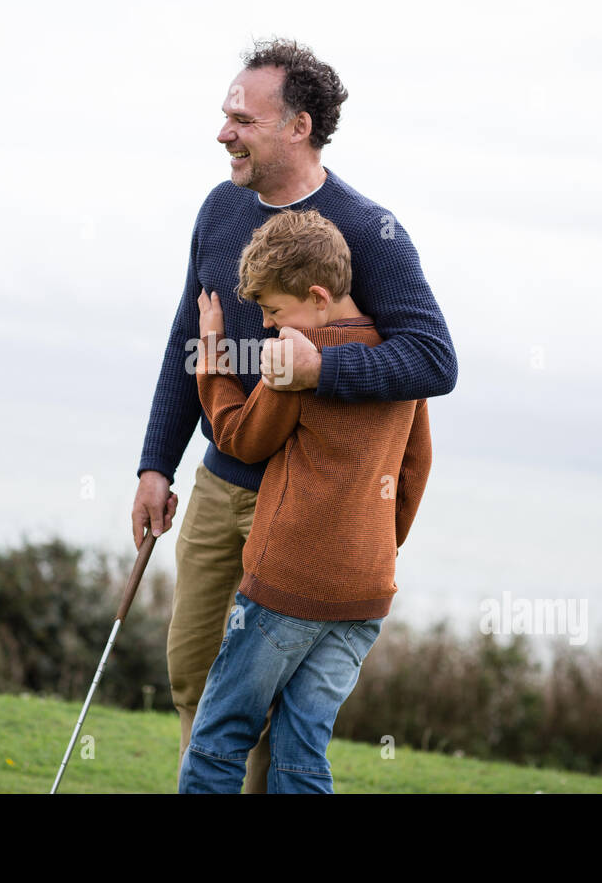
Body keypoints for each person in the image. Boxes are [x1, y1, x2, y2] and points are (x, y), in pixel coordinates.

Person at [132, 37, 457, 793]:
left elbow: (433, 359)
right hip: (219, 486)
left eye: (241, 119)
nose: (223, 133)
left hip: (307, 508)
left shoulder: (368, 230)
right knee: (193, 679)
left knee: (264, 714)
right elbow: (191, 339)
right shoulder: (218, 211)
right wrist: (155, 464)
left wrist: (322, 368)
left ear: (298, 126)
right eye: (225, 116)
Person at [179, 208, 432, 793]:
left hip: (287, 584)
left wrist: (213, 359)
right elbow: (415, 466)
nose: (268, 326)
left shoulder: (299, 359)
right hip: (365, 592)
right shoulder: (400, 360)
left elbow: (242, 439)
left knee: (219, 737)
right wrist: (374, 543)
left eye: (272, 311)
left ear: (318, 297)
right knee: (302, 751)